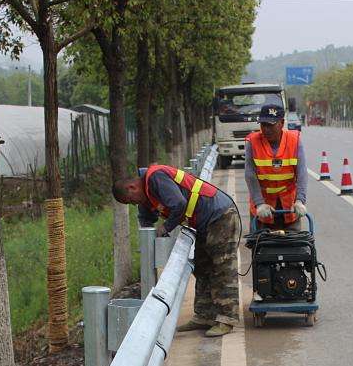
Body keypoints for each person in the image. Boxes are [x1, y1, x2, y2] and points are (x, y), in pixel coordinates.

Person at [112, 164, 242, 337]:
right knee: (202, 267)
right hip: (203, 222)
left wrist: (165, 228)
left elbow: (179, 204)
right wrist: (147, 242)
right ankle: (205, 315)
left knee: (222, 269)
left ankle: (226, 319)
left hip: (220, 216)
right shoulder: (146, 195)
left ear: (132, 187)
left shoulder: (156, 178)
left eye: (130, 200)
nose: (133, 203)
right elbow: (146, 219)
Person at [244, 103, 308, 229]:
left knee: (295, 244)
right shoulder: (252, 142)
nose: (266, 129)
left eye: (270, 125)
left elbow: (302, 173)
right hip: (263, 206)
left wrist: (300, 200)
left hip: (289, 206)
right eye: (263, 125)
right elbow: (250, 175)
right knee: (259, 244)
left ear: (282, 123)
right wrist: (259, 203)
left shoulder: (294, 141)